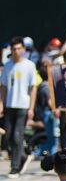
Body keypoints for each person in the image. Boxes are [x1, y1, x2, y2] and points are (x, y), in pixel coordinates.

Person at [3, 38, 40, 173]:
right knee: (7, 136)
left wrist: (31, 107)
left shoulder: (29, 65)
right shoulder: (8, 65)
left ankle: (15, 167)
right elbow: (4, 87)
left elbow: (33, 88)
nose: (16, 52)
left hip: (23, 105)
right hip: (9, 105)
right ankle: (23, 157)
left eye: (19, 48)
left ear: (23, 49)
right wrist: (1, 104)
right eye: (14, 49)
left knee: (18, 136)